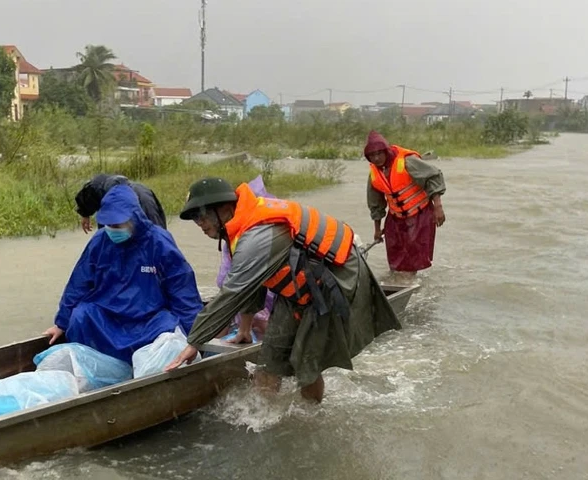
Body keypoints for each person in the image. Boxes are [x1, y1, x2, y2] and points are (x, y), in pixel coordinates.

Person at [165, 177, 401, 403]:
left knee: (306, 364)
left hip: (334, 280)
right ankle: (264, 424)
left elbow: (232, 294)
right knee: (269, 361)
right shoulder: (239, 229)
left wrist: (194, 342)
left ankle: (311, 418)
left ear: (224, 208)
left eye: (203, 217)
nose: (201, 225)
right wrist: (245, 329)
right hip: (298, 287)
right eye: (196, 221)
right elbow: (251, 285)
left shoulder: (257, 235)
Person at [44, 184, 204, 368]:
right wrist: (61, 323)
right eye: (109, 224)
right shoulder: (100, 241)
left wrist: (196, 338)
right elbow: (79, 282)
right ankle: (97, 370)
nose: (112, 229)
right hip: (108, 317)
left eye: (117, 224)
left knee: (170, 328)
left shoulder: (159, 242)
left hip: (149, 321)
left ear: (133, 217)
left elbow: (182, 290)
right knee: (81, 316)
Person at [364, 131, 446, 274]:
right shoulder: (374, 175)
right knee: (395, 258)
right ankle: (397, 282)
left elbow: (433, 176)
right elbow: (375, 203)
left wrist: (438, 206)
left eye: (379, 153)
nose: (376, 158)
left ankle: (415, 285)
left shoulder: (407, 161)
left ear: (386, 151)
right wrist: (377, 229)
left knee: (415, 257)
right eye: (372, 155)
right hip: (395, 219)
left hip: (419, 213)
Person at [216, 175, 275, 344]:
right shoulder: (233, 239)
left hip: (266, 318)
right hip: (242, 316)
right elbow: (229, 290)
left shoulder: (261, 235)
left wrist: (246, 326)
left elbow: (249, 287)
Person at [74, 174, 167, 233]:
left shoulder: (144, 202)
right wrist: (84, 213)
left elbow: (157, 234)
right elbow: (91, 190)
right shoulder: (102, 187)